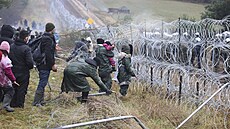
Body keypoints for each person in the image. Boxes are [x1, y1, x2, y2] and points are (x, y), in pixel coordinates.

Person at [32, 23, 57, 107]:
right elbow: (48, 54)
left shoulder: (44, 37)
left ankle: (40, 100)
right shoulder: (48, 39)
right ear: (52, 29)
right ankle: (36, 102)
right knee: (42, 82)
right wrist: (53, 64)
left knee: (43, 81)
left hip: (41, 63)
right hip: (44, 64)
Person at [9, 30, 34, 108]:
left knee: (13, 87)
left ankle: (12, 103)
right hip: (23, 72)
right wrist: (30, 67)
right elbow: (30, 62)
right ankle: (19, 105)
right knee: (22, 89)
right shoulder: (26, 49)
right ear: (26, 38)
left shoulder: (11, 46)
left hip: (12, 70)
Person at [0, 41, 19, 112]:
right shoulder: (5, 59)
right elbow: (8, 72)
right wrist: (13, 80)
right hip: (3, 79)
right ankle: (6, 105)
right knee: (10, 91)